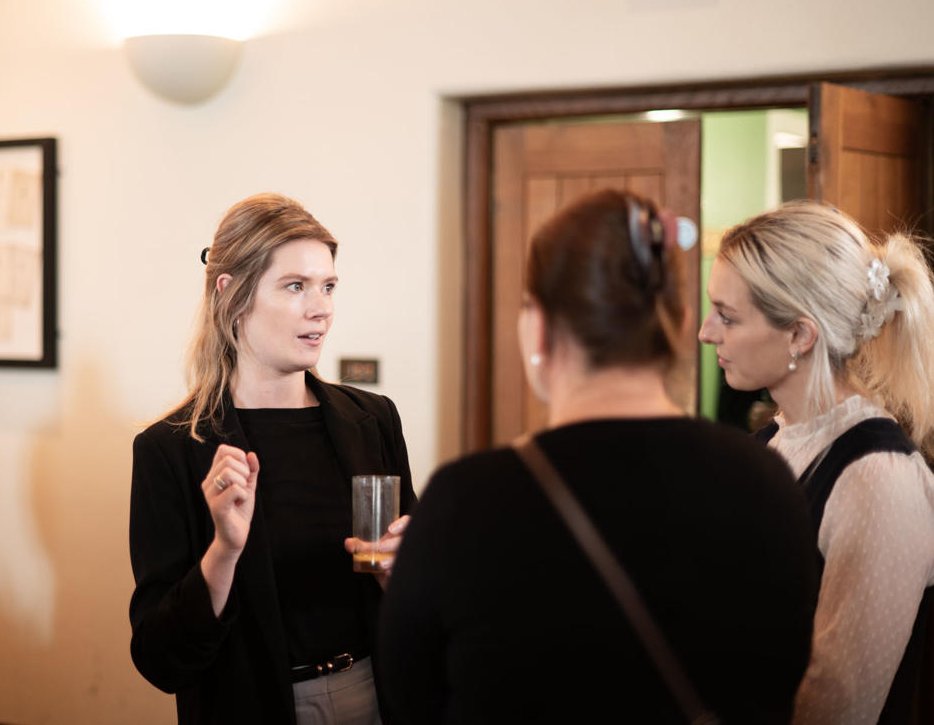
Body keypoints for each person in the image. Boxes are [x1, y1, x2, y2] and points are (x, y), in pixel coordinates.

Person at [379, 189, 820, 724]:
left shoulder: (465, 501)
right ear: (681, 323)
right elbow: (780, 679)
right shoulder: (766, 481)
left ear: (538, 326)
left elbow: (412, 701)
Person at [129, 193, 416, 725]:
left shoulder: (374, 420)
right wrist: (224, 551)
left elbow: (419, 603)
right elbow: (160, 658)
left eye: (328, 286)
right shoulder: (169, 450)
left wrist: (403, 573)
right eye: (295, 286)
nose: (321, 307)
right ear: (232, 295)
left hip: (378, 696)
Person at [700, 201, 934, 725]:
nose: (706, 332)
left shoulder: (879, 476)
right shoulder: (767, 446)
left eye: (727, 317)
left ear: (800, 336)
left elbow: (839, 706)